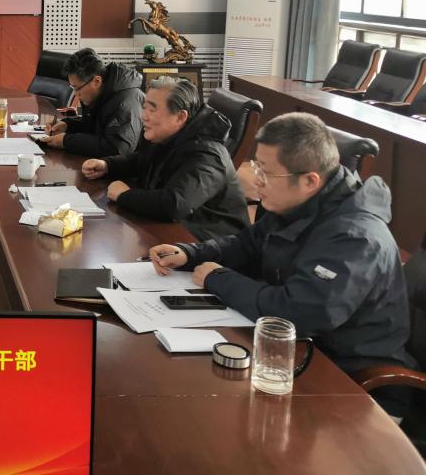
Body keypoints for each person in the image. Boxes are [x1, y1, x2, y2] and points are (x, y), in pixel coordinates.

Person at [146, 112, 415, 382]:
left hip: (351, 377)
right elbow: (247, 244)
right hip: (296, 351)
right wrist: (191, 254)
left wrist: (218, 278)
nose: (256, 180)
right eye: (256, 166)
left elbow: (297, 313)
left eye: (266, 172)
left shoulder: (356, 238)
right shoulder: (300, 202)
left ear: (309, 181)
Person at [81, 75, 247, 240]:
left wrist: (124, 195)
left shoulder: (208, 155)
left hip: (212, 244)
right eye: (144, 108)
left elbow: (174, 204)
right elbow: (142, 160)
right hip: (177, 232)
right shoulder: (172, 136)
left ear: (180, 117)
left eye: (152, 110)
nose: (143, 116)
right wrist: (108, 165)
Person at [41, 48, 143, 157]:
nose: (75, 94)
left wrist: (67, 141)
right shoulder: (104, 91)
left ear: (96, 81)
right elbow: (95, 126)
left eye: (77, 88)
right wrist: (68, 125)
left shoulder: (125, 103)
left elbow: (117, 149)